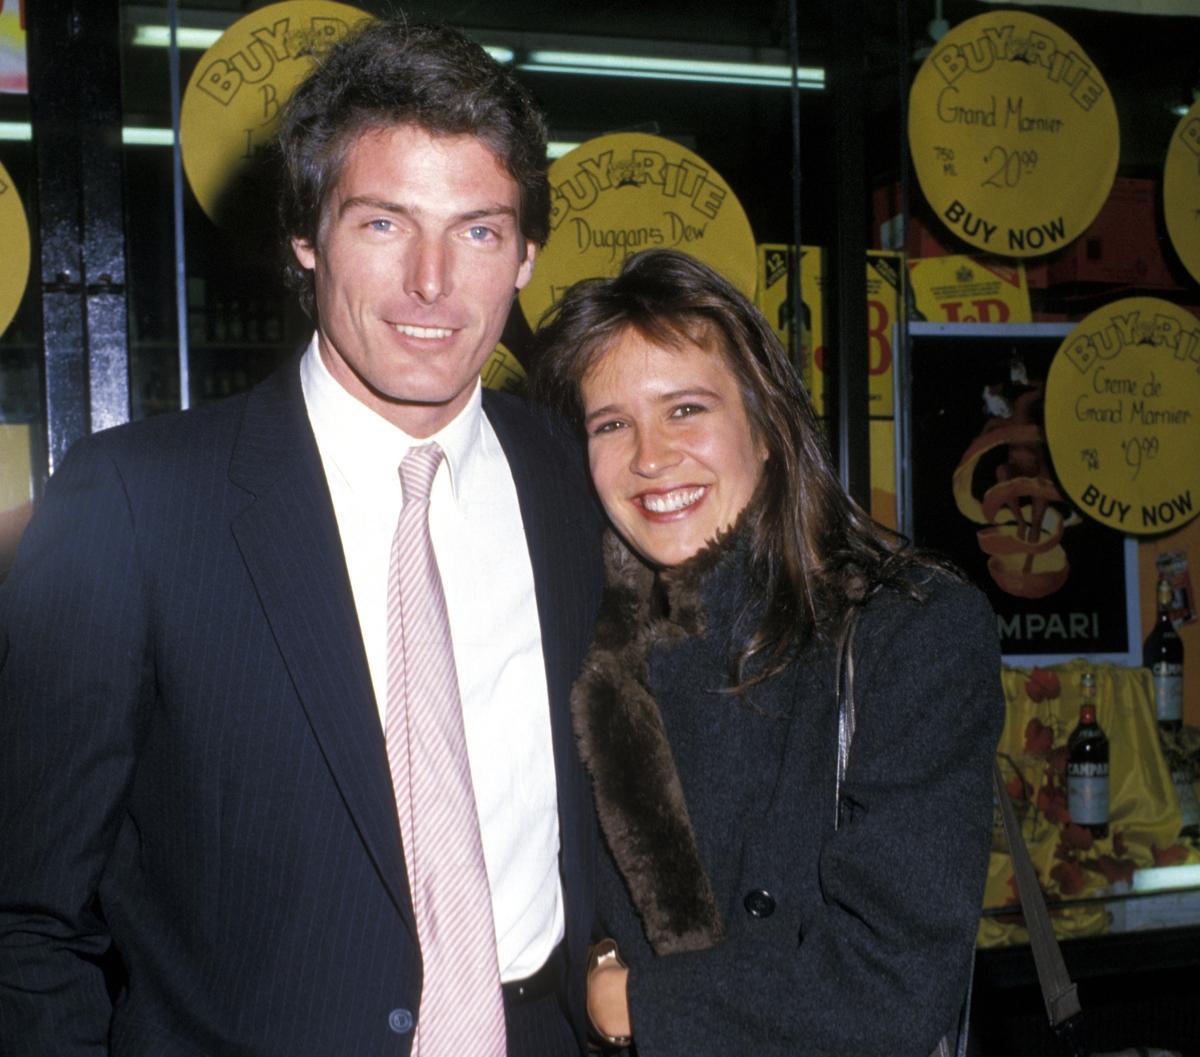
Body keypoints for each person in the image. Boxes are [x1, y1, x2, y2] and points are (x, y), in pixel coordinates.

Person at [0, 20, 602, 1057]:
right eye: (382, 224)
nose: (432, 281)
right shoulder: (136, 505)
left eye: (478, 230)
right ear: (306, 240)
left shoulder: (573, 480)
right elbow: (25, 916)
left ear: (527, 256)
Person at [530, 248, 1005, 1057]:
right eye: (612, 423)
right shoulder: (572, 643)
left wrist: (632, 999)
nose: (650, 456)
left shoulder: (908, 632)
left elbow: (894, 979)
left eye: (685, 409)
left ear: (768, 426)